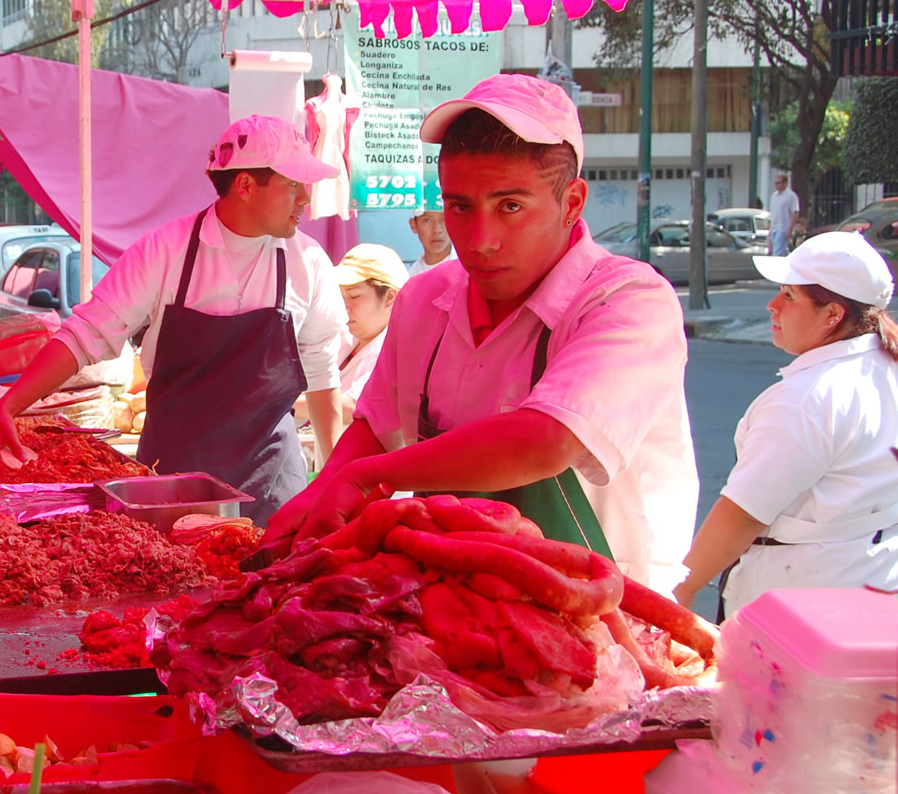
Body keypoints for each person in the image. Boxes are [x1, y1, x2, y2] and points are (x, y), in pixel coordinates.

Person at [265, 73, 700, 596]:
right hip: (455, 603)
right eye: (460, 207)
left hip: (604, 617)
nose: (480, 241)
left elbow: (545, 440)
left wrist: (360, 479)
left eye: (511, 206)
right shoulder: (425, 300)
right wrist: (321, 491)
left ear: (573, 202)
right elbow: (378, 426)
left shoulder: (627, 301)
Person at [0, 114, 348, 527]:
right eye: (294, 185)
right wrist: (9, 406)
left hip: (273, 487)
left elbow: (321, 375)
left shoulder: (308, 262)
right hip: (172, 484)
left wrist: (334, 480)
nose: (306, 200)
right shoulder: (164, 251)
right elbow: (87, 333)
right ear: (245, 186)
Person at [674, 232, 898, 619]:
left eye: (789, 296)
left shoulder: (807, 398)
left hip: (797, 612)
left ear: (833, 314)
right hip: (871, 588)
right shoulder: (883, 367)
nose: (772, 306)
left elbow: (742, 514)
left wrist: (683, 588)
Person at [296, 243, 408, 428]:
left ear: (390, 297)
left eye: (354, 296)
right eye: (340, 296)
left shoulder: (395, 348)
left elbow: (353, 407)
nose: (343, 306)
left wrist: (284, 401)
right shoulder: (345, 337)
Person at [407, 209, 456, 276]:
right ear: (413, 225)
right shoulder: (408, 279)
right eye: (427, 220)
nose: (437, 230)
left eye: (445, 219)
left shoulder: (470, 272)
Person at [768, 174, 800, 257]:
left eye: (779, 183)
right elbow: (773, 213)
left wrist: (790, 229)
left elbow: (795, 212)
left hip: (783, 228)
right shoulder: (773, 196)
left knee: (777, 254)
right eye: (775, 183)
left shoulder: (791, 196)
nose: (776, 185)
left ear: (785, 183)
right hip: (774, 228)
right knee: (779, 253)